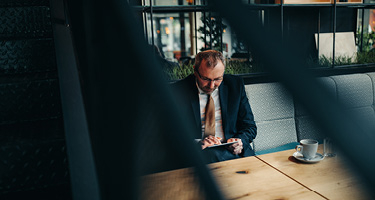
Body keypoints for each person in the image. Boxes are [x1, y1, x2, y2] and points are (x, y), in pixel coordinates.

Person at [172, 50, 257, 163]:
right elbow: (171, 134)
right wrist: (198, 143)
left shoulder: (235, 85)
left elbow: (250, 126)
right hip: (199, 155)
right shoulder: (178, 91)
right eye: (206, 79)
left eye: (217, 79)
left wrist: (240, 141)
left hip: (233, 153)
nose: (212, 86)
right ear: (195, 72)